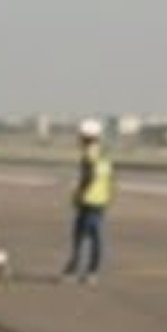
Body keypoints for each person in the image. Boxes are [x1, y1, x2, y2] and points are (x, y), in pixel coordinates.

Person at [61, 117, 114, 282]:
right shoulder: (104, 153)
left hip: (88, 199)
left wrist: (79, 194)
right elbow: (109, 176)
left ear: (86, 136)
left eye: (81, 136)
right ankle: (92, 271)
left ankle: (74, 269)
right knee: (96, 236)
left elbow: (88, 176)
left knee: (80, 235)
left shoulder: (88, 154)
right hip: (101, 199)